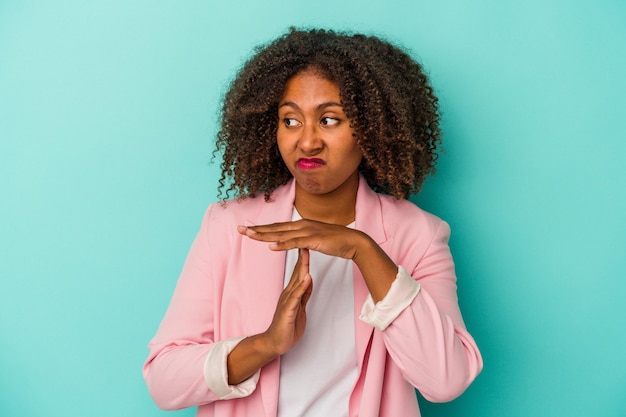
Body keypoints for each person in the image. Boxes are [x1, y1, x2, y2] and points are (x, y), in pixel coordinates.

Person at [143, 28, 483, 417]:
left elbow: (445, 381)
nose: (306, 142)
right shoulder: (229, 226)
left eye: (329, 120)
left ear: (371, 129)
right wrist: (266, 344)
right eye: (290, 120)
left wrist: (363, 249)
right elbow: (163, 381)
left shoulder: (418, 235)